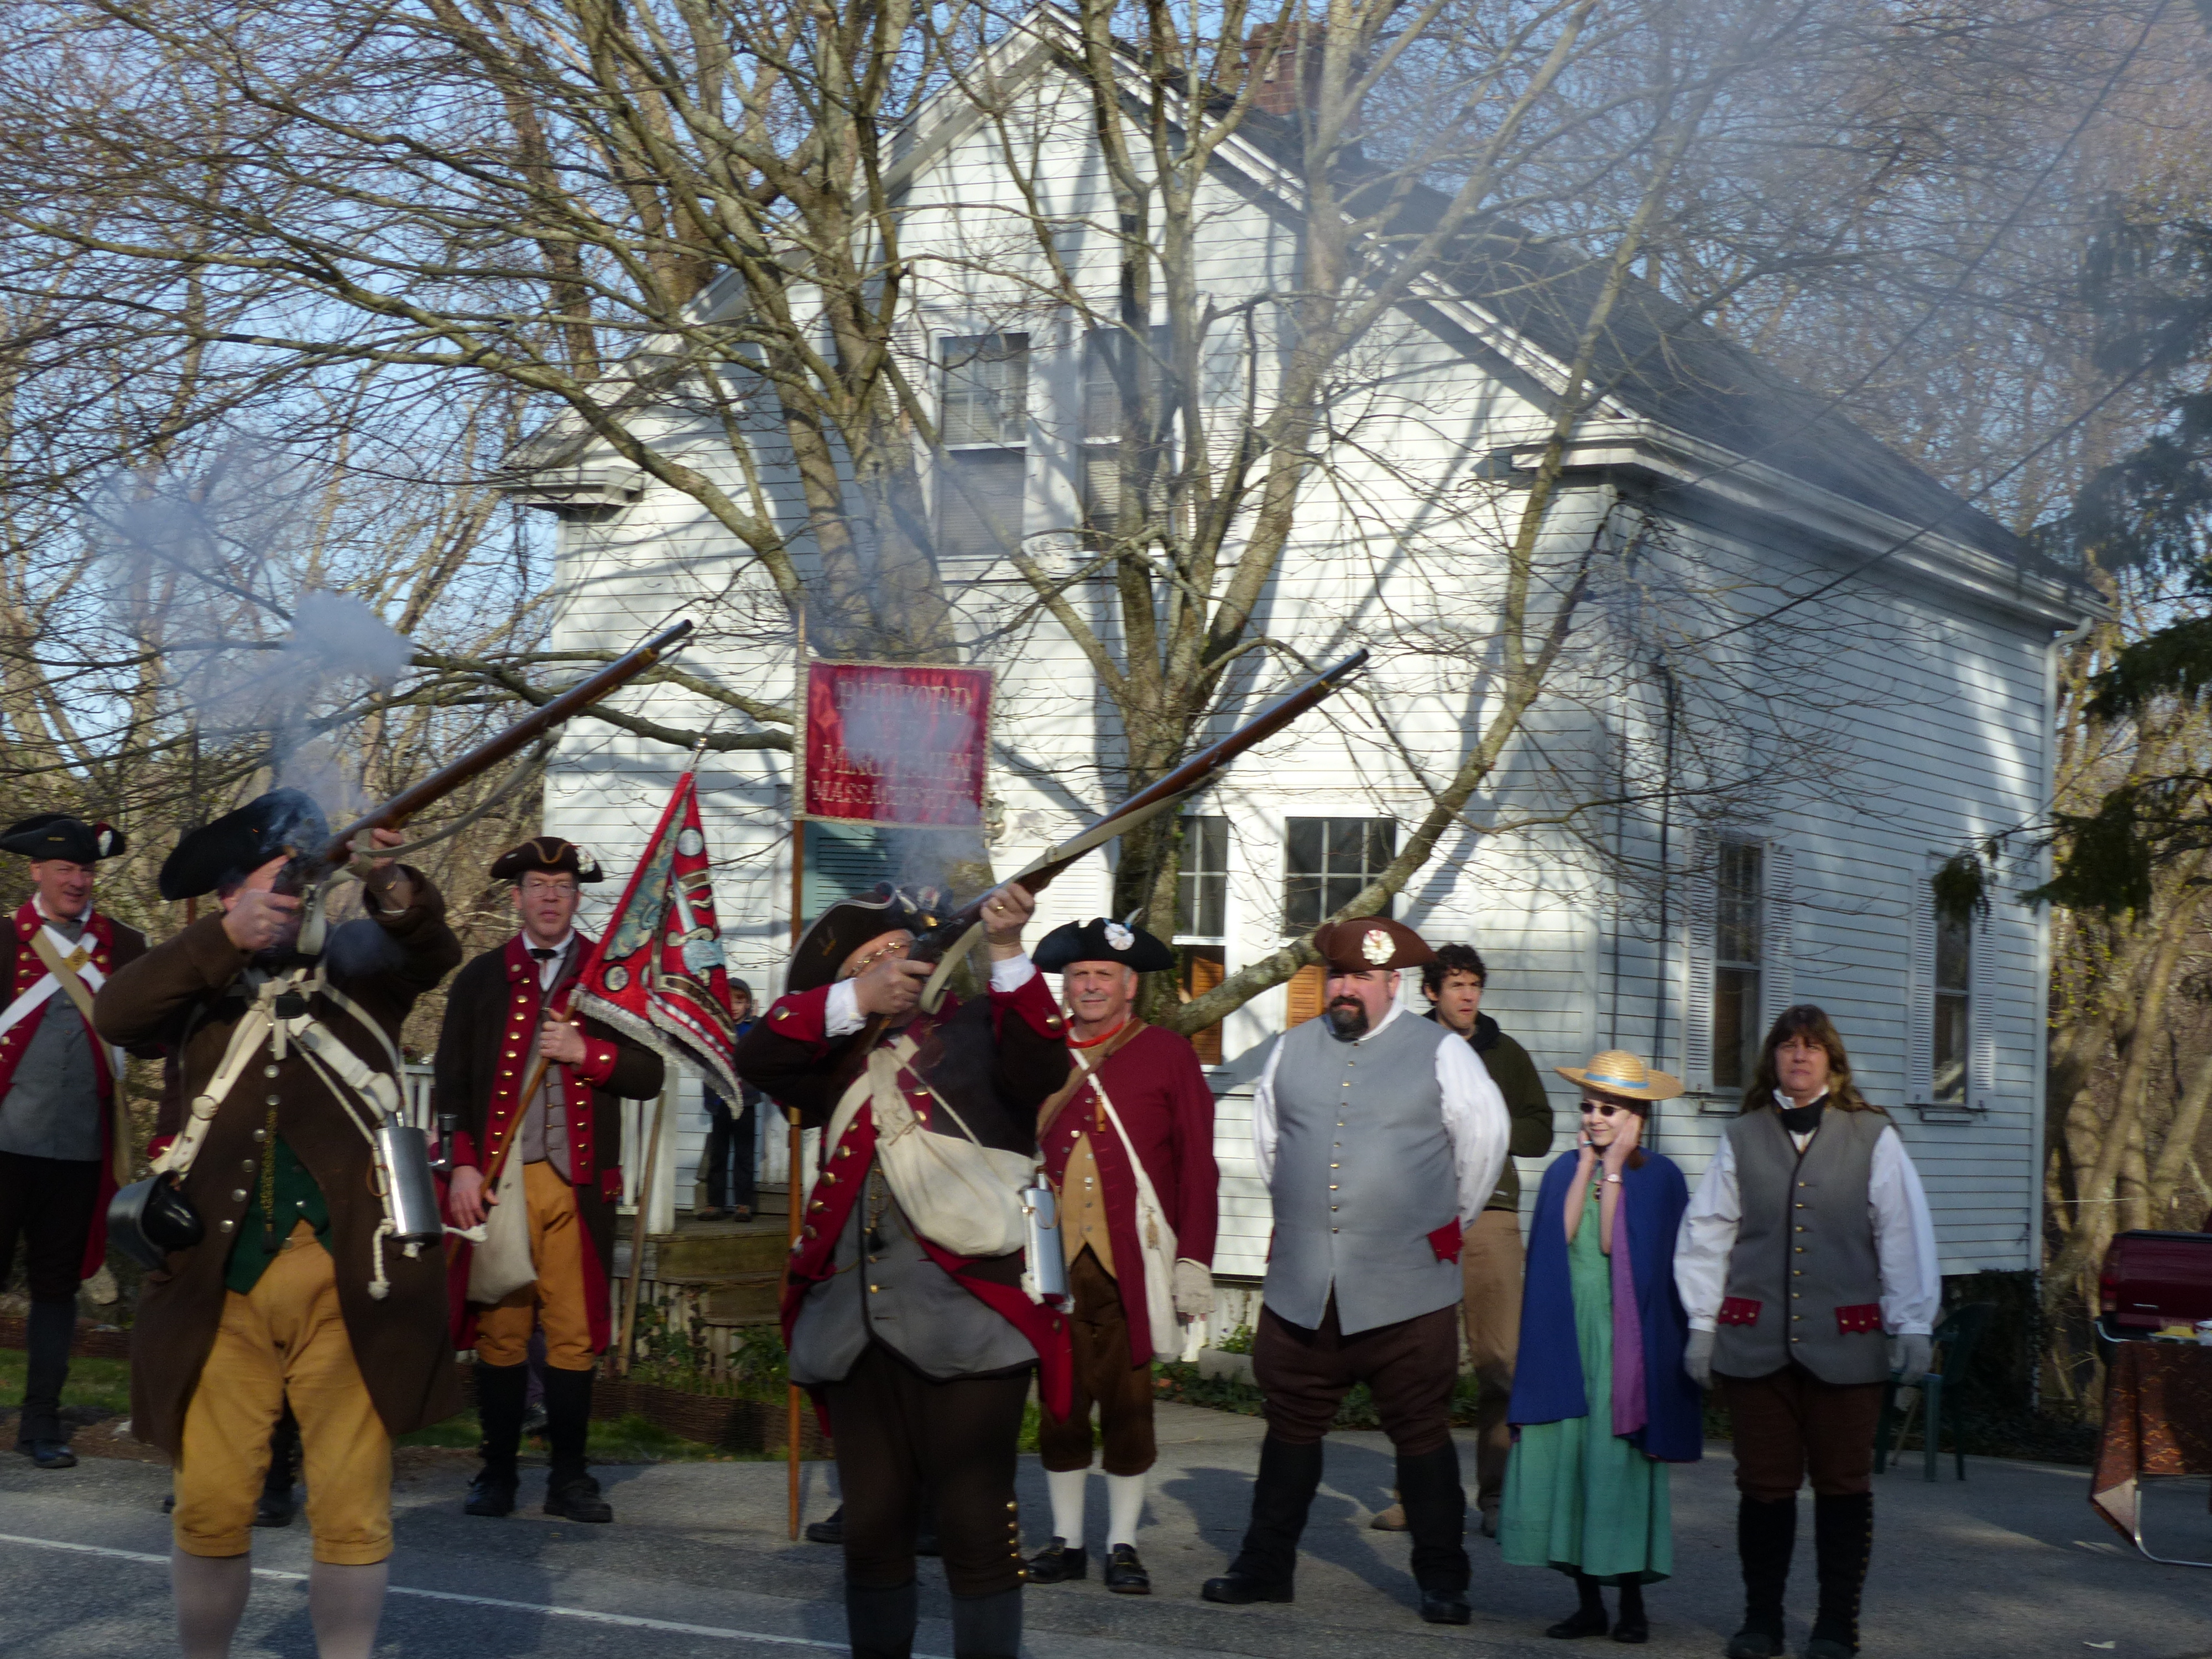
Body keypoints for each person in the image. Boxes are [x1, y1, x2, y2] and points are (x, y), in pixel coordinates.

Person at [94, 789, 462, 1659]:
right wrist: (226, 938)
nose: (293, 897)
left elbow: (432, 947)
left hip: (355, 1285)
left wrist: (387, 877)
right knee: (211, 1506)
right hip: (216, 1286)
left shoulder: (364, 968)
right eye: (273, 882)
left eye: (300, 879)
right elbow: (117, 1013)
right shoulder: (198, 982)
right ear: (231, 895)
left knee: (353, 1512)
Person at [736, 880, 1071, 1659]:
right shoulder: (834, 1060)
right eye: (867, 962)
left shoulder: (982, 1024)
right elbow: (755, 1054)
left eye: (897, 949)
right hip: (854, 1328)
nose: (892, 964)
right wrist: (858, 999)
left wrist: (1006, 947)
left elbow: (1042, 1066)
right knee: (873, 1535)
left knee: (975, 1531)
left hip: (971, 1321)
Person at [1203, 917, 1509, 1625]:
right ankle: (1265, 1566)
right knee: (1289, 1428)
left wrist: (1432, 1227)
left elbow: (1482, 1146)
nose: (1345, 989)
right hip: (1305, 1289)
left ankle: (1443, 1579)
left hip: (1407, 1292)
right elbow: (1274, 1150)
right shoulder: (1290, 1050)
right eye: (1337, 975)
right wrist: (1312, 1228)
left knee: (1421, 1433)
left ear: (1392, 983)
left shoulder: (1443, 1053)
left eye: (1361, 978)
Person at [1675, 1006, 1939, 1659]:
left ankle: (1835, 1625)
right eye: (1788, 1047)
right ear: (1772, 1058)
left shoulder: (1872, 1135)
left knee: (1843, 1486)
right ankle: (1760, 1621)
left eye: (1811, 1047)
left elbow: (1902, 1232)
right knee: (1762, 1488)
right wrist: (1702, 1323)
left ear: (1831, 1061)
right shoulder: (1741, 1136)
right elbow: (1708, 1232)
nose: (1799, 1057)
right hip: (1754, 1343)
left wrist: (1911, 1322)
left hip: (1846, 1345)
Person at [437, 836, 666, 1525]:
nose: (550, 897)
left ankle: (570, 1477)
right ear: (516, 898)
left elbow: (648, 1074)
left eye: (563, 887)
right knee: (502, 1332)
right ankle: (497, 1472)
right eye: (538, 886)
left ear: (576, 899)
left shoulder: (609, 979)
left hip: (577, 1186)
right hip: (500, 1185)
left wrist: (585, 1051)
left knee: (572, 1334)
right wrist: (463, 1164)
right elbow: (451, 1086)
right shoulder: (480, 979)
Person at [1024, 916, 1218, 1595]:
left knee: (1129, 1404)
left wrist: (1194, 1260)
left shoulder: (1166, 1052)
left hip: (1133, 1263)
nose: (1089, 986)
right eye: (1079, 975)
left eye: (1103, 975)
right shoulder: (1040, 1051)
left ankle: (1123, 1544)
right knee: (1060, 1401)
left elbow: (1198, 1166)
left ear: (1130, 986)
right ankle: (1067, 1540)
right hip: (1052, 1263)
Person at [1500, 1051, 1701, 1645]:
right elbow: (1557, 1238)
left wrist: (1613, 1167)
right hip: (1569, 1336)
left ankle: (1632, 1604)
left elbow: (1616, 1244)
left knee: (1616, 1465)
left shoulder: (1658, 1176)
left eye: (1608, 1109)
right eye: (1588, 1106)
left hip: (1624, 1343)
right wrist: (1589, 1164)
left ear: (1636, 1115)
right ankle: (1587, 1602)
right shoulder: (1565, 1170)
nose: (1593, 1117)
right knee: (1570, 1462)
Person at [1375, 942, 1554, 1537]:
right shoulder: (1406, 1049)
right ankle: (1415, 1496)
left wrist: (1487, 1126)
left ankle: (1496, 1498)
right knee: (1418, 1364)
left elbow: (1541, 1130)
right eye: (1455, 985)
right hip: (1419, 1217)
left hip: (1492, 1217)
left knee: (1500, 1363)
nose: (1468, 995)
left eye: (1474, 984)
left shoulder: (1507, 1054)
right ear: (1431, 992)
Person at [0, 813, 147, 1469]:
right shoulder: (4, 940)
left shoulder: (126, 946)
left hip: (81, 1153)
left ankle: (41, 1423)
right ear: (37, 871)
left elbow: (153, 1032)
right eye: (65, 868)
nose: (78, 881)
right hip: (4, 1147)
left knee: (57, 1290)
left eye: (86, 869)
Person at [697, 979, 758, 1221]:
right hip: (720, 1099)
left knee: (744, 1153)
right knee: (719, 1153)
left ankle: (744, 1204)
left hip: (745, 1100)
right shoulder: (714, 1028)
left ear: (748, 1004)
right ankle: (715, 1204)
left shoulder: (753, 1029)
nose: (734, 1007)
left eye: (740, 1001)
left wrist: (757, 1021)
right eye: (729, 1001)